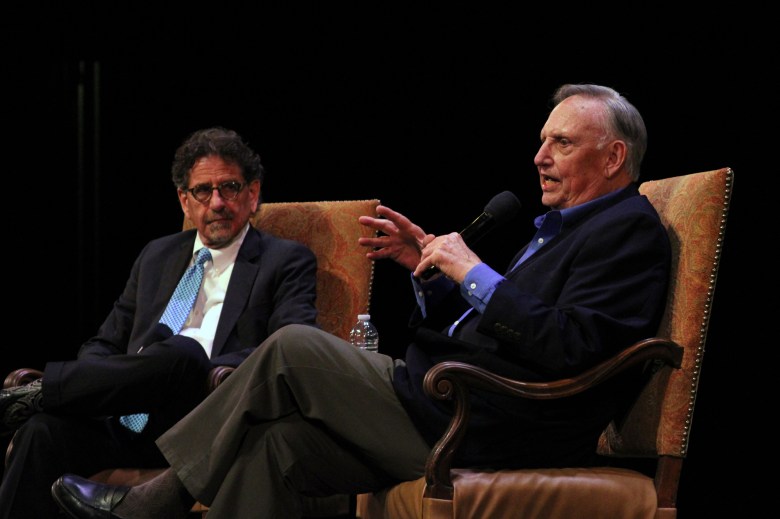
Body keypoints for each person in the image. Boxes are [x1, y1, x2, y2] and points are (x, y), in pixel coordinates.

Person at [51, 83, 672, 519]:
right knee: (275, 447)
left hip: (485, 423)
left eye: (561, 143)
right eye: (542, 140)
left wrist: (475, 272)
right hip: (447, 397)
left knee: (292, 348)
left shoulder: (627, 230)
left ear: (613, 156)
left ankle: (154, 501)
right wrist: (433, 272)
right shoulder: (562, 230)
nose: (539, 157)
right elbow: (493, 328)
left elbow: (572, 345)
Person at [0, 127, 319, 519]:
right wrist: (107, 384)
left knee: (183, 353)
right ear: (185, 200)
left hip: (203, 421)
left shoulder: (286, 260)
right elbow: (105, 343)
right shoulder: (157, 255)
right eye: (203, 191)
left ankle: (40, 392)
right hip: (125, 420)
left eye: (230, 187)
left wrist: (205, 370)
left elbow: (289, 347)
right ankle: (37, 403)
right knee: (40, 432)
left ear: (252, 194)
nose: (217, 202)